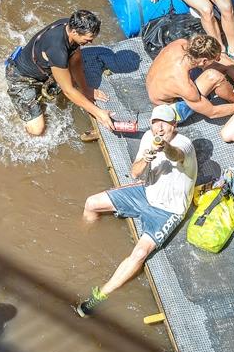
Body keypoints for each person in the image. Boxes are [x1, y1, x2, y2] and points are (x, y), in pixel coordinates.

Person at [75, 104, 197, 316]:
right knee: (91, 203)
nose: (159, 129)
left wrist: (163, 148)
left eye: (164, 125)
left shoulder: (183, 143)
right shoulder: (148, 138)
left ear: (174, 126)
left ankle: (99, 296)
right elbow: (134, 172)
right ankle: (83, 242)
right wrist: (145, 159)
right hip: (145, 193)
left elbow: (176, 155)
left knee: (140, 253)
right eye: (154, 124)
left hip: (169, 210)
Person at [5, 9, 113, 137]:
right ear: (74, 32)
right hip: (22, 78)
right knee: (38, 130)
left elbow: (76, 61)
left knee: (75, 87)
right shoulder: (57, 50)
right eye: (87, 40)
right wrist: (98, 113)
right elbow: (68, 91)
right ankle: (18, 109)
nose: (90, 43)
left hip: (45, 71)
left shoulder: (70, 26)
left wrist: (86, 89)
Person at [146, 34, 234, 122]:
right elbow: (212, 113)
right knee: (214, 76)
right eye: (216, 58)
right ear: (204, 61)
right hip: (167, 109)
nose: (218, 59)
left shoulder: (180, 43)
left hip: (156, 85)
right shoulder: (184, 85)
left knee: (221, 62)